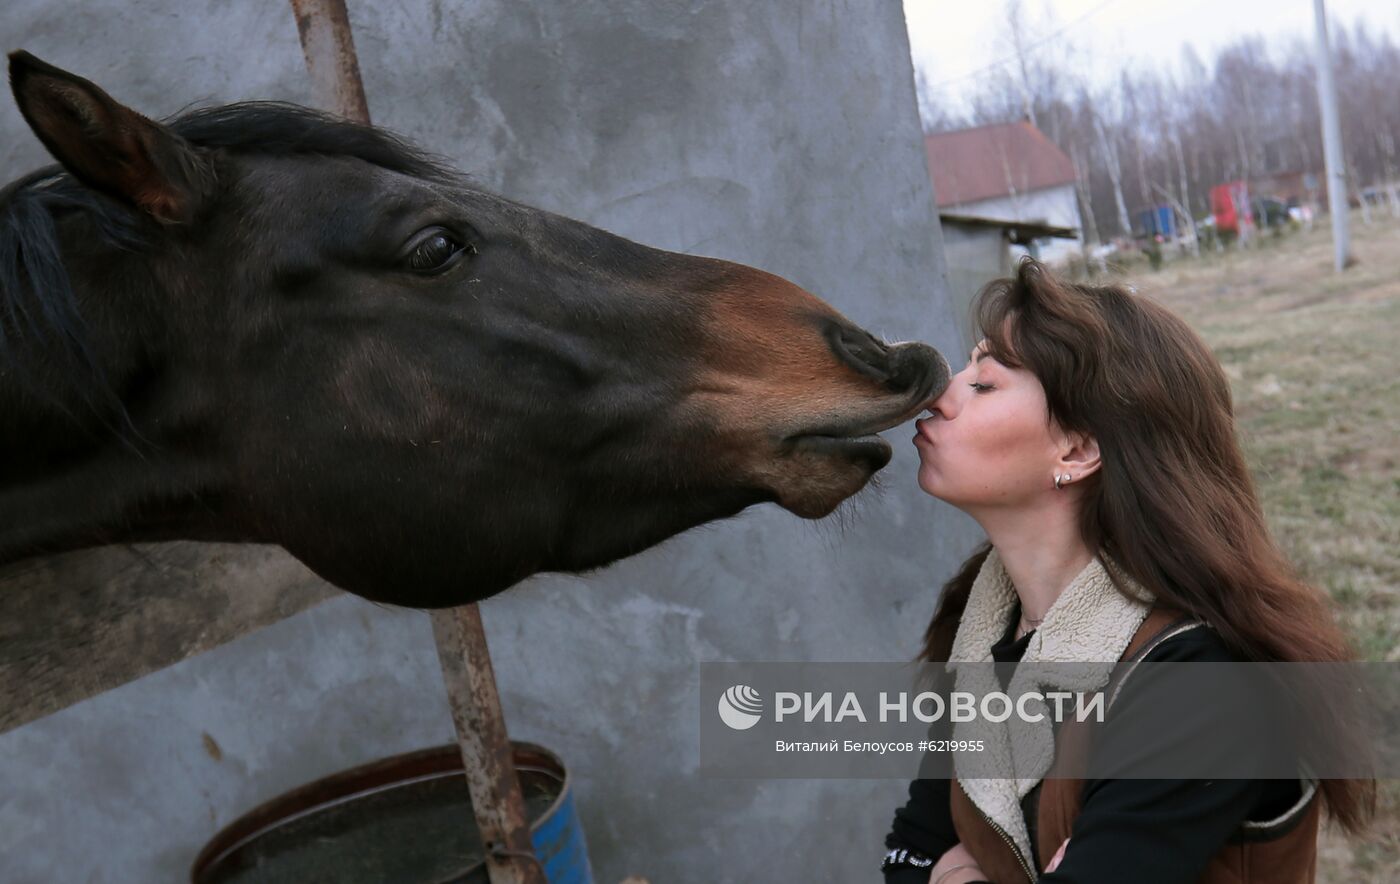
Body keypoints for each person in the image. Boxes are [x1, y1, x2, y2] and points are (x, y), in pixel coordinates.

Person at [880, 258, 1374, 884]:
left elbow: (931, 860)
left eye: (984, 384)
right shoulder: (982, 629)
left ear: (1078, 450)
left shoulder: (1195, 682)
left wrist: (954, 873)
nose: (940, 393)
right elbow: (909, 851)